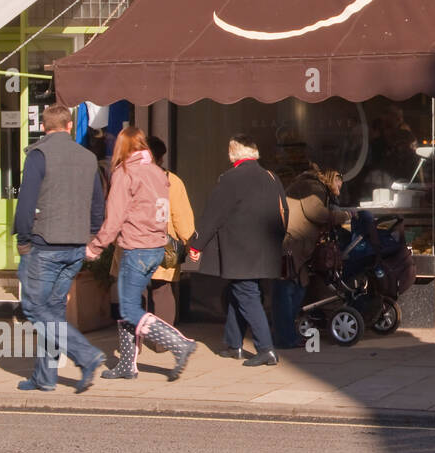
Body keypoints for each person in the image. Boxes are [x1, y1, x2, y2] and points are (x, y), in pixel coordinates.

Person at [86, 127, 198, 381]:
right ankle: (127, 365)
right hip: (156, 248)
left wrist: (95, 247)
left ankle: (179, 344)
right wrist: (189, 241)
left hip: (135, 248)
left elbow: (114, 218)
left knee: (128, 307)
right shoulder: (160, 174)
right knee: (133, 303)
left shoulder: (125, 173)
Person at [12, 104, 106, 393]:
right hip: (76, 247)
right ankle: (45, 377)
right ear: (68, 127)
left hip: (45, 245)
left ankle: (86, 355)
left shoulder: (39, 154)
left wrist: (23, 240)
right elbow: (98, 204)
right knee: (52, 311)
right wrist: (90, 235)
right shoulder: (88, 157)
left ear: (44, 127)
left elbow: (26, 202)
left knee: (34, 307)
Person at [191, 134, 288, 367]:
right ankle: (233, 344)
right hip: (265, 248)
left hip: (240, 249)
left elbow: (213, 215)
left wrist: (196, 245)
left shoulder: (231, 178)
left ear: (233, 153)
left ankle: (266, 349)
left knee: (247, 294)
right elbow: (284, 210)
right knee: (240, 291)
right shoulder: (271, 177)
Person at [279, 164, 352, 346]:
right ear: (331, 179)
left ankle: (288, 333)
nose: (339, 190)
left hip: (296, 245)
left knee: (298, 287)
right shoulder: (313, 187)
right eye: (338, 184)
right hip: (291, 245)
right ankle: (285, 337)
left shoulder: (311, 186)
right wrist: (344, 216)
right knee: (288, 289)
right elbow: (316, 213)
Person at [145, 136, 195, 325]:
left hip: (132, 245)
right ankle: (162, 341)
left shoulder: (127, 176)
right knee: (162, 290)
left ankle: (134, 342)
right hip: (163, 246)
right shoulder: (172, 181)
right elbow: (181, 217)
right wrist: (190, 242)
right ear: (159, 158)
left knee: (134, 293)